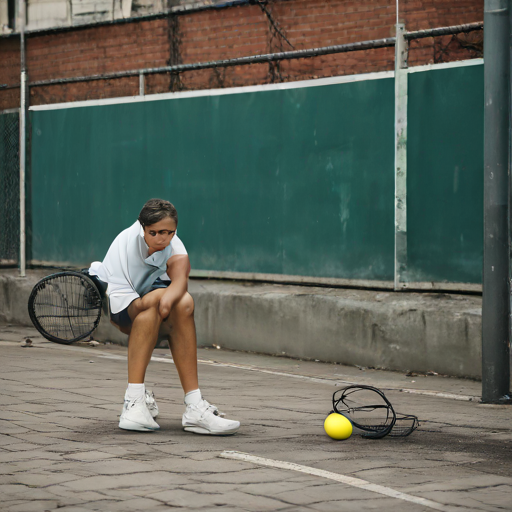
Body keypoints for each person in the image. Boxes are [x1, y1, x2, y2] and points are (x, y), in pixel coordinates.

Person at [89, 198, 240, 435]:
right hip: (123, 309)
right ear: (142, 229)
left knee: (185, 302)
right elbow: (133, 308)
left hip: (155, 300)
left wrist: (166, 300)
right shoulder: (125, 247)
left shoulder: (173, 243)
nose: (162, 238)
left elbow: (180, 281)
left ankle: (194, 407)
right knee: (149, 310)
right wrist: (160, 297)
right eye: (155, 232)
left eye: (168, 232)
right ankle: (134, 402)